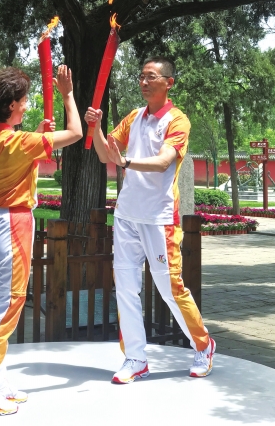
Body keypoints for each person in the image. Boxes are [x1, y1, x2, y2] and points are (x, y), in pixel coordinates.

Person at [84, 56, 215, 384]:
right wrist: (95, 129)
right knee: (125, 288)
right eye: (142, 76)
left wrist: (126, 162)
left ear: (168, 82)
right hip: (127, 215)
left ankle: (203, 345)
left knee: (170, 288)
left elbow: (163, 162)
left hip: (159, 217)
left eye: (151, 77)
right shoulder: (134, 117)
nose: (144, 82)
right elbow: (105, 154)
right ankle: (135, 358)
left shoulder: (177, 120)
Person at [0, 65, 82, 415]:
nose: (27, 103)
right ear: (12, 105)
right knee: (6, 308)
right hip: (13, 224)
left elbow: (16, 159)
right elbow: (76, 132)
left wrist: (36, 135)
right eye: (24, 99)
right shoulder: (19, 142)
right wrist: (67, 95)